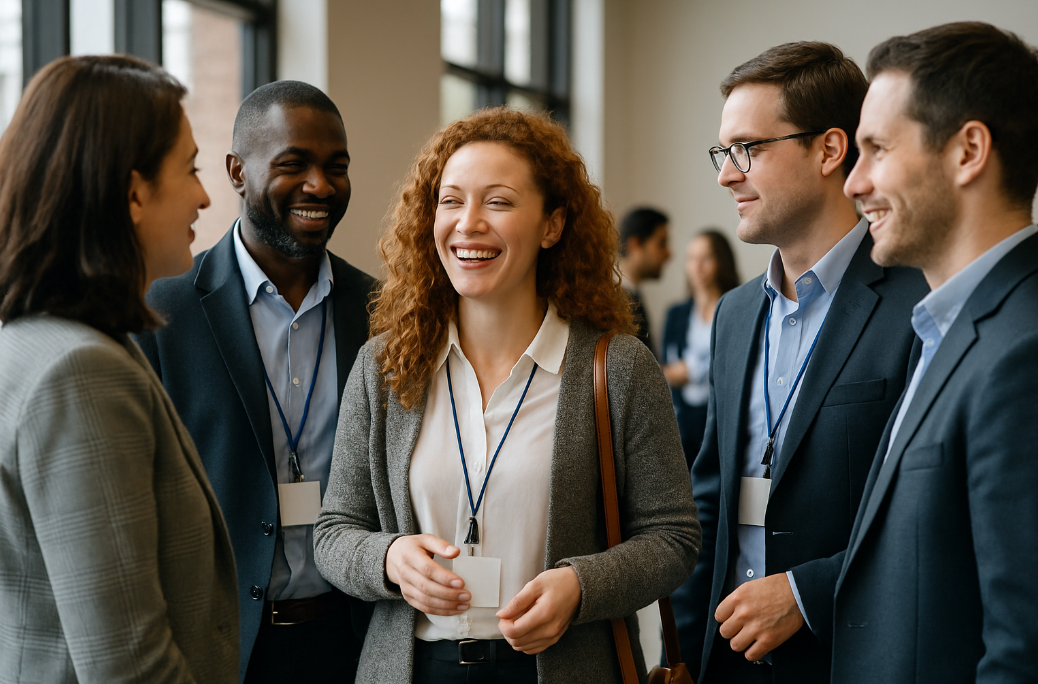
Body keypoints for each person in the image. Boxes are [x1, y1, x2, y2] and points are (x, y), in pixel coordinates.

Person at [312, 107, 701, 683]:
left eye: (498, 201)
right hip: (416, 668)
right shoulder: (385, 367)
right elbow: (335, 531)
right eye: (451, 201)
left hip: (559, 668)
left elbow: (673, 537)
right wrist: (389, 560)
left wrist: (580, 585)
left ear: (552, 225)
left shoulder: (616, 368)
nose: (468, 224)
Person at [674, 42, 930, 684]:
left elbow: (926, 514)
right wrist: (679, 652)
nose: (726, 175)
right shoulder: (733, 316)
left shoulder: (918, 300)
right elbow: (712, 501)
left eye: (748, 150)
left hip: (852, 655)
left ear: (828, 150)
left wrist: (807, 594)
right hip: (728, 660)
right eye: (723, 153)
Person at [0, 55, 238, 682]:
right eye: (189, 169)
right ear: (133, 192)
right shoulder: (79, 374)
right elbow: (129, 665)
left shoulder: (35, 339)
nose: (206, 195)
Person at [135, 81, 376, 683]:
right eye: (294, 164)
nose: (320, 185)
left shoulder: (382, 311)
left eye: (336, 167)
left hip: (353, 641)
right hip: (218, 647)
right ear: (238, 171)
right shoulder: (160, 309)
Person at [834, 22, 1038, 683]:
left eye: (875, 150)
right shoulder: (945, 328)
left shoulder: (1023, 353)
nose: (853, 183)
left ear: (967, 151)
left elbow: (1021, 651)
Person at [661, 229, 740, 469]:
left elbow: (738, 367)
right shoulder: (676, 314)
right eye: (691, 258)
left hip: (724, 422)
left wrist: (693, 370)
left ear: (721, 262)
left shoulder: (737, 309)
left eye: (706, 258)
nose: (697, 266)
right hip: (683, 426)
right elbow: (665, 370)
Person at [618, 206, 672, 355]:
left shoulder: (632, 296)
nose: (669, 253)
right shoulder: (617, 303)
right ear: (635, 244)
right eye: (661, 243)